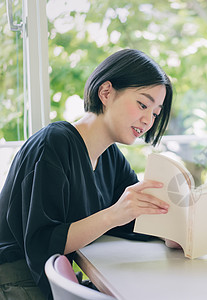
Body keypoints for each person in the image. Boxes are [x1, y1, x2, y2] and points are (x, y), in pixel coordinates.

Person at [0, 49, 173, 299]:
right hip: (15, 279)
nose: (148, 120)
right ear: (106, 92)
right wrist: (114, 214)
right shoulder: (53, 144)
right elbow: (41, 243)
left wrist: (172, 233)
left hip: (53, 276)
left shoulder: (110, 156)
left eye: (155, 113)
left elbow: (132, 219)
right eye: (142, 104)